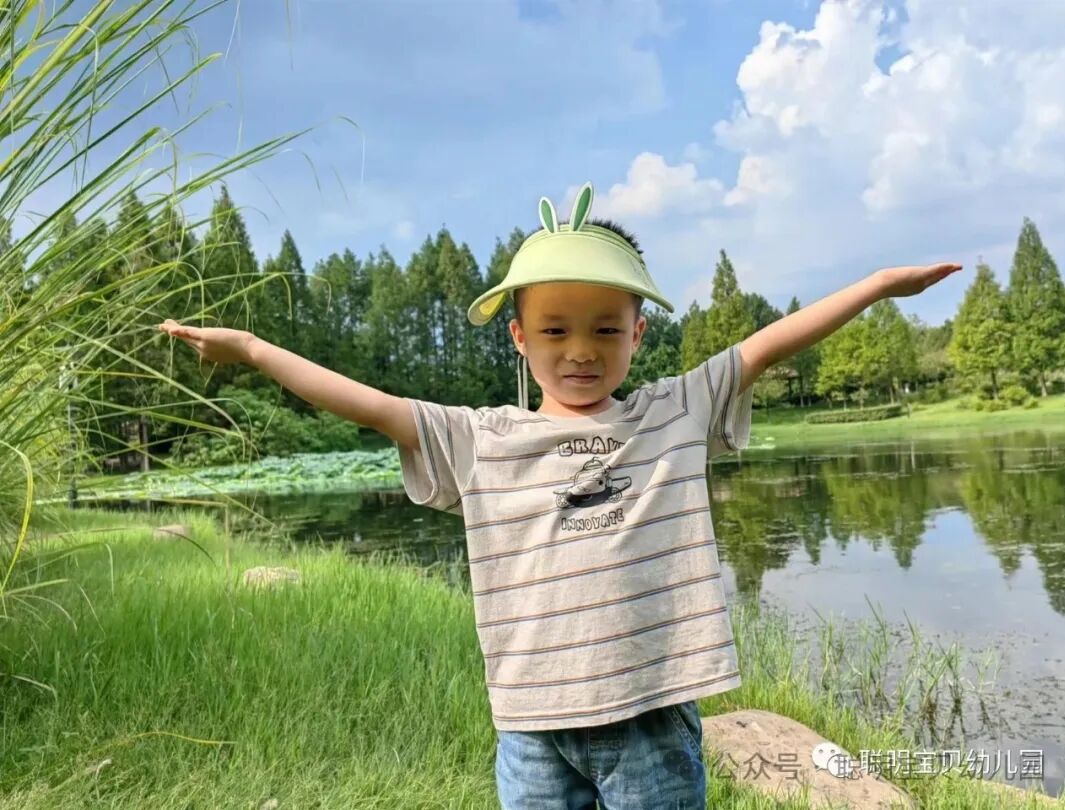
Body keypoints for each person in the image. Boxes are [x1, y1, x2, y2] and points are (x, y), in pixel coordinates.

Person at [159, 181, 961, 809]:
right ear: (518, 336)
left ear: (638, 333)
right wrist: (255, 350)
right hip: (532, 729)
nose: (581, 350)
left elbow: (765, 345)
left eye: (606, 329)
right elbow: (369, 404)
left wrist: (877, 286)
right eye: (554, 330)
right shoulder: (482, 439)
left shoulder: (672, 414)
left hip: (649, 716)